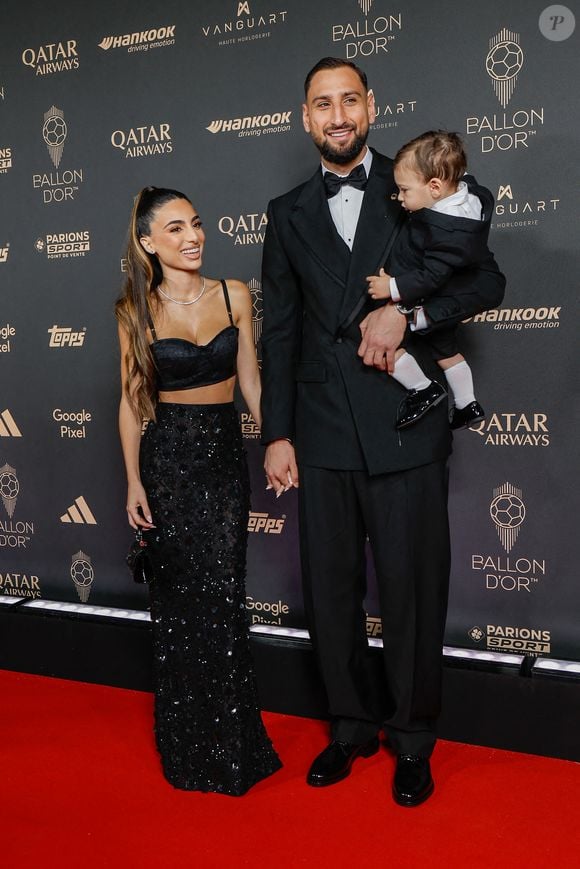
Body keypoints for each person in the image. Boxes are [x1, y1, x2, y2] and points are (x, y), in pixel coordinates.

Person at [260, 58, 504, 807]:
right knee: (331, 593)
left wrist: (412, 313)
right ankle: (350, 726)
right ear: (305, 117)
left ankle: (413, 737)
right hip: (324, 426)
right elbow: (282, 329)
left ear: (372, 107)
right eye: (321, 103)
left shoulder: (423, 185)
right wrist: (277, 433)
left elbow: (485, 282)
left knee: (412, 589)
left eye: (349, 100)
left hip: (408, 423)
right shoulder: (285, 210)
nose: (337, 115)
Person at [115, 186, 281, 796]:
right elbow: (133, 402)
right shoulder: (133, 309)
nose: (193, 238)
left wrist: (275, 442)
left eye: (198, 225)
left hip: (220, 457)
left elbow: (252, 386)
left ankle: (235, 745)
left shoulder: (235, 295)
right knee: (181, 610)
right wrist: (134, 480)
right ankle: (188, 746)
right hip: (167, 460)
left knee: (224, 596)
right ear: (147, 243)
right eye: (177, 229)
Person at [366, 130, 492, 430]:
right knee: (444, 347)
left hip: (444, 297)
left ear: (435, 186)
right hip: (456, 294)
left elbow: (431, 275)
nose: (399, 198)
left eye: (405, 190)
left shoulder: (447, 230)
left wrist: (391, 288)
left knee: (379, 337)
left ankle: (422, 388)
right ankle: (467, 404)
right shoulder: (464, 193)